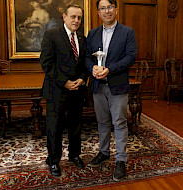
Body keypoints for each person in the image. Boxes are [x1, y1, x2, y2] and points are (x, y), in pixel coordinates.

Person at [85, 0, 137, 182]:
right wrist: (92, 68)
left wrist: (110, 69)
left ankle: (121, 160)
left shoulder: (127, 32)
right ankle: (103, 152)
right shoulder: (92, 34)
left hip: (117, 85)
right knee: (102, 122)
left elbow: (131, 56)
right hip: (98, 86)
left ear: (115, 9)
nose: (106, 11)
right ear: (98, 12)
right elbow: (86, 57)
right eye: (102, 8)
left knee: (120, 123)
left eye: (109, 7)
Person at [40, 4, 87, 178]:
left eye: (79, 18)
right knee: (55, 127)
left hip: (77, 90)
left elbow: (85, 63)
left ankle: (74, 155)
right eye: (73, 16)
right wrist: (65, 82)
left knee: (75, 126)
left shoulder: (82, 38)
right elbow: (46, 63)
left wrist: (82, 79)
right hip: (57, 90)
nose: (76, 20)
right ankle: (53, 160)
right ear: (64, 16)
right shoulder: (52, 34)